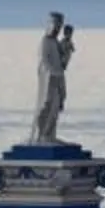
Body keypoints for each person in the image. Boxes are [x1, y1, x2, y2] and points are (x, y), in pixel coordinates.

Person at [30, 12, 74, 144]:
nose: (57, 29)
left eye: (59, 26)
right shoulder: (45, 42)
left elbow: (62, 62)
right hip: (49, 79)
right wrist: (52, 72)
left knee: (56, 106)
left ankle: (50, 135)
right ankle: (41, 135)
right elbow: (45, 61)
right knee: (47, 105)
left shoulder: (56, 42)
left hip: (58, 77)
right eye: (55, 25)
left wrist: (67, 50)